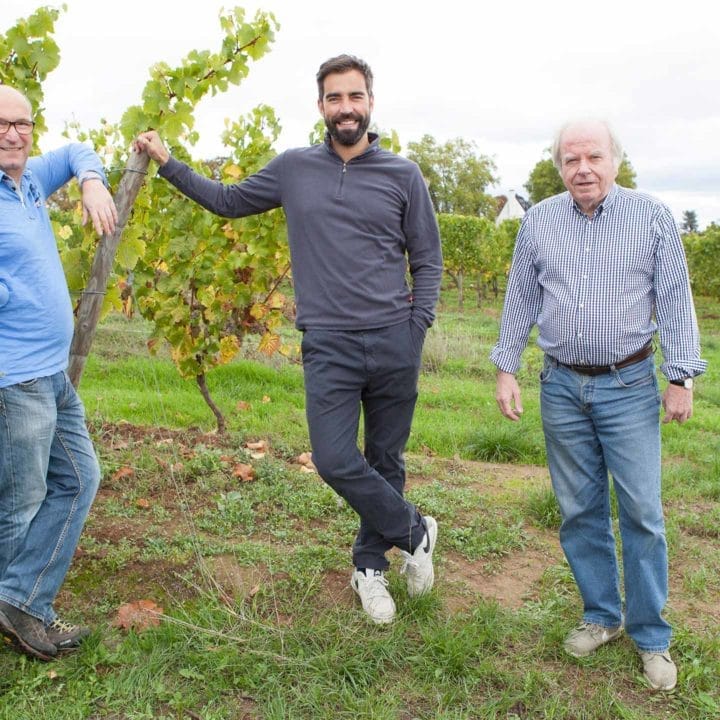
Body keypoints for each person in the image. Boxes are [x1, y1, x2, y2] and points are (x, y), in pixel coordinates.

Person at [135, 54, 442, 625]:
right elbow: (228, 201)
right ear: (321, 105)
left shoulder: (404, 175)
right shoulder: (294, 168)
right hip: (328, 341)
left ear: (370, 101)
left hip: (394, 340)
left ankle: (369, 567)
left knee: (385, 457)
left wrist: (415, 328)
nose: (344, 108)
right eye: (334, 98)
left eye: (354, 96)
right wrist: (168, 163)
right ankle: (415, 530)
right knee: (332, 458)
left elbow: (427, 260)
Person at [490, 118, 706, 691]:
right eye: (570, 159)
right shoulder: (538, 221)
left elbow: (676, 299)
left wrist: (680, 375)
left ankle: (652, 636)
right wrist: (506, 367)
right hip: (561, 386)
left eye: (593, 157)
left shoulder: (651, 216)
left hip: (630, 385)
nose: (582, 169)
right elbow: (521, 296)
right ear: (559, 166)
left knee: (641, 512)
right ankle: (602, 615)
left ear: (615, 160)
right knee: (579, 510)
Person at [0, 85, 118, 661]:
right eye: (1, 124)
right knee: (19, 504)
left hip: (52, 375)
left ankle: (19, 604)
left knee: (79, 478)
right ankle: (21, 616)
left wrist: (92, 179)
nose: (13, 133)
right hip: (13, 379)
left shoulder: (25, 181)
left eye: (21, 123)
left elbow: (77, 151)